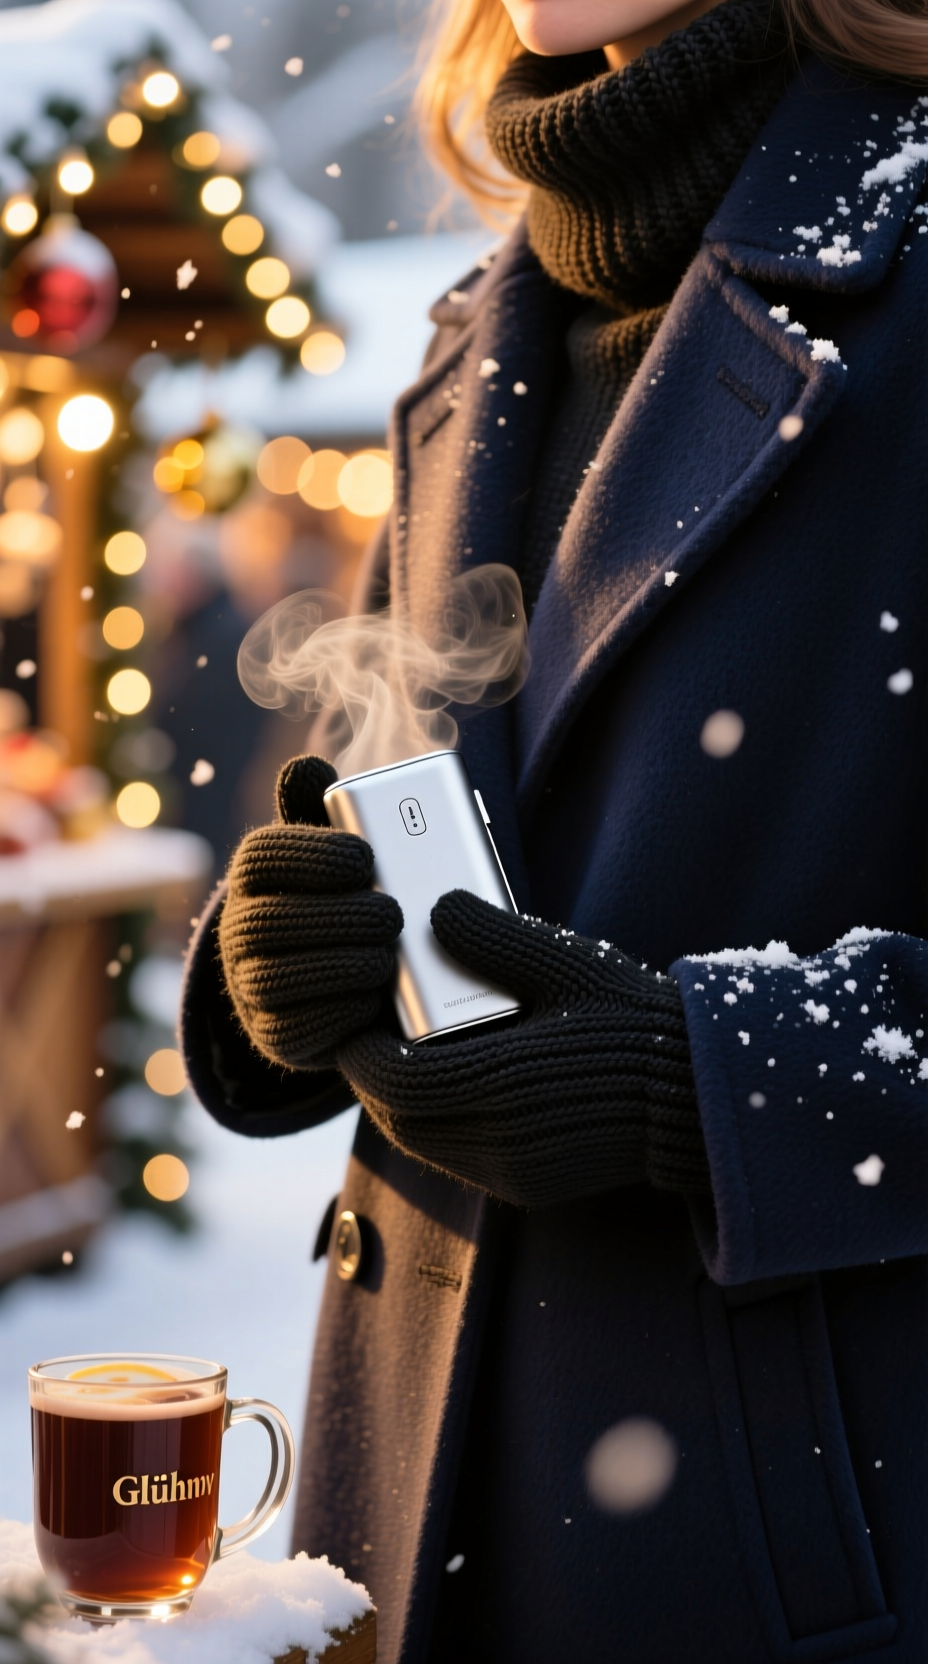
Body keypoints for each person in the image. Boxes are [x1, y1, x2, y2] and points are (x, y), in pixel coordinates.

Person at [181, 0, 928, 1657]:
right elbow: (371, 792)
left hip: (787, 1556)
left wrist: (706, 1084)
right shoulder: (479, 325)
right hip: (402, 1522)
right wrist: (280, 953)